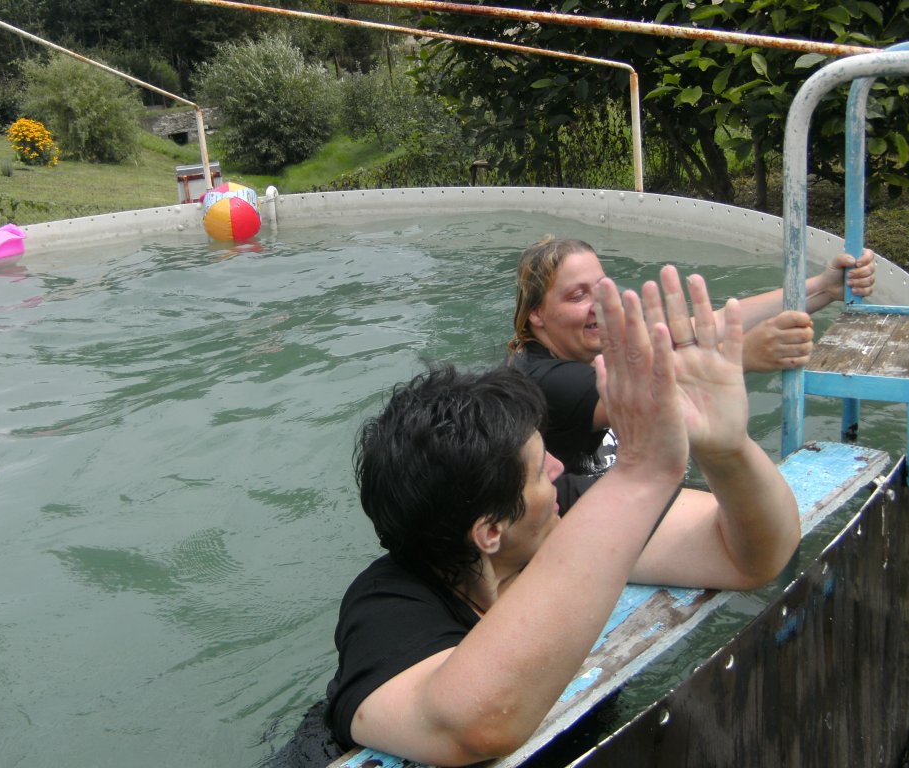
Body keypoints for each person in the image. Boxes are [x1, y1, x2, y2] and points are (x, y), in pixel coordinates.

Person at [322, 268, 801, 765]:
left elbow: (748, 557)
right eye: (538, 469)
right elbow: (477, 725)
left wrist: (727, 452)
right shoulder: (384, 606)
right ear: (490, 531)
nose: (557, 467)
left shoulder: (553, 512)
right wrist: (641, 473)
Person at [508, 237, 876, 507]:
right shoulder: (543, 382)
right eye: (578, 297)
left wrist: (822, 287)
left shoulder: (592, 346)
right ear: (536, 314)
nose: (599, 306)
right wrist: (741, 355)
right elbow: (649, 392)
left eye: (603, 289)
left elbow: (711, 325)